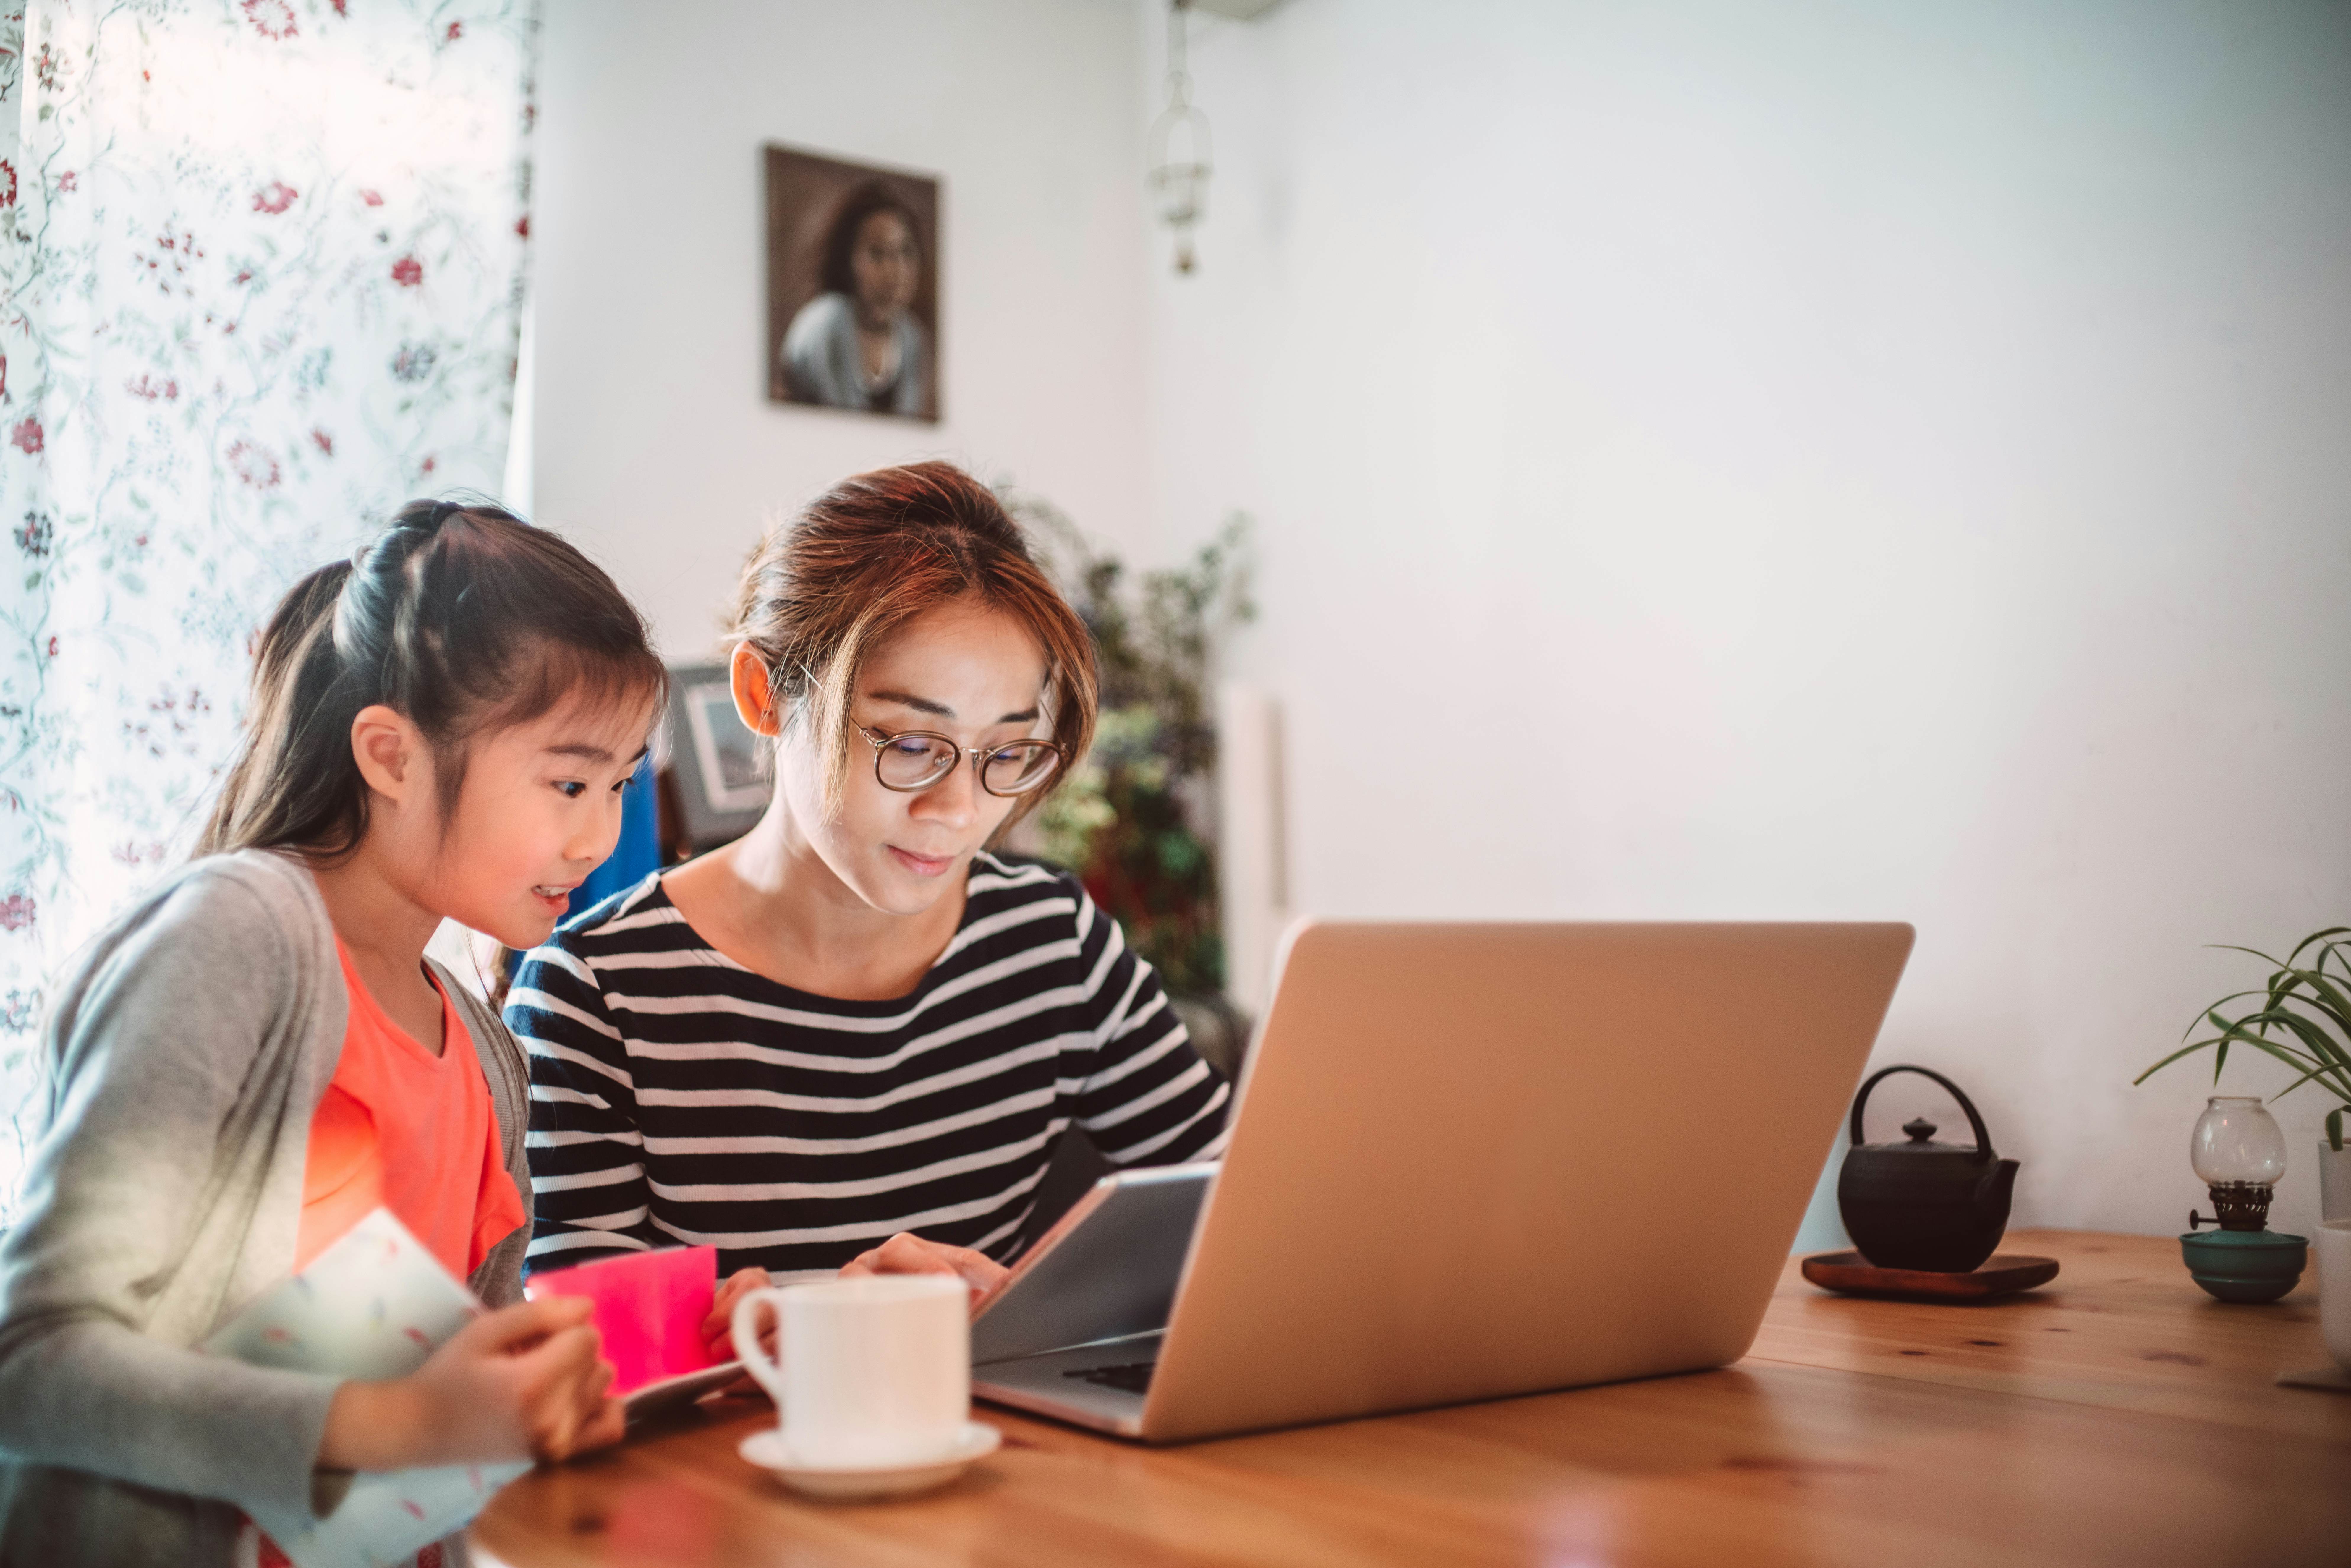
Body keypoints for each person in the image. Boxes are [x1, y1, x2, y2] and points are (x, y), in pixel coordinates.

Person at [0, 502, 662, 1566]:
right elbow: (31, 1364)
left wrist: (686, 1339)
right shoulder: (238, 936)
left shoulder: (489, 1053)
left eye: (620, 785)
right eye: (569, 782)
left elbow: (457, 1414)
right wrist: (390, 1426)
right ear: (391, 756)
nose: (599, 836)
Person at [508, 462, 1231, 1344]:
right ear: (762, 695)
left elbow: (1238, 1211)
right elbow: (582, 1363)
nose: (959, 811)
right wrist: (812, 1322)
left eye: (1007, 753)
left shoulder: (1052, 943)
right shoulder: (596, 994)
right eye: (912, 742)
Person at [779, 182, 934, 418]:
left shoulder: (912, 338)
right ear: (848, 260)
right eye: (878, 254)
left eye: (905, 252)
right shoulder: (823, 324)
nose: (896, 270)